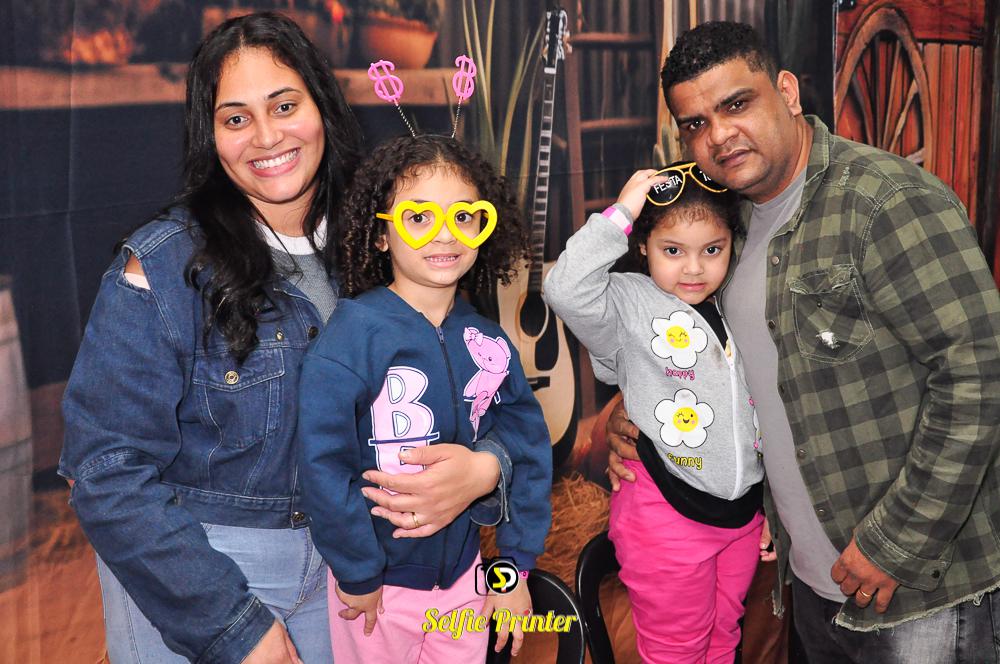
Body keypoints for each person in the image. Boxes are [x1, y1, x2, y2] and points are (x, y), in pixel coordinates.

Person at [58, 13, 513, 664]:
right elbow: (105, 473)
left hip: (350, 576)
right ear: (210, 135)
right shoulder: (160, 268)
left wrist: (484, 469)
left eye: (284, 105)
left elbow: (488, 393)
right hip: (200, 577)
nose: (266, 136)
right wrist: (232, 626)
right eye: (236, 118)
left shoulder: (387, 245)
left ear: (321, 106)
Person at [607, 20, 1000, 663]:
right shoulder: (725, 228)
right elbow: (729, 366)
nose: (718, 135)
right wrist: (634, 415)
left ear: (787, 92)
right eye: (696, 123)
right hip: (812, 583)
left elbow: (978, 375)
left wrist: (896, 543)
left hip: (921, 589)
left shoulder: (885, 200)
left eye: (737, 103)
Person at [296, 134, 553, 663]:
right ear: (380, 235)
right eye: (418, 217)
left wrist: (512, 571)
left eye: (464, 216)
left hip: (465, 582)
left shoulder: (488, 341)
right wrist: (358, 572)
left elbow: (526, 450)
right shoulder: (351, 337)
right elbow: (323, 466)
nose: (445, 234)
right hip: (375, 592)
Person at [544, 162, 769, 662]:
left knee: (724, 639)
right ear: (643, 245)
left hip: (741, 518)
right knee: (675, 652)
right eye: (673, 251)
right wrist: (622, 213)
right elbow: (563, 288)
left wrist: (769, 505)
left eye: (712, 250)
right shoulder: (624, 303)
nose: (694, 268)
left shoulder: (736, 300)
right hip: (665, 517)